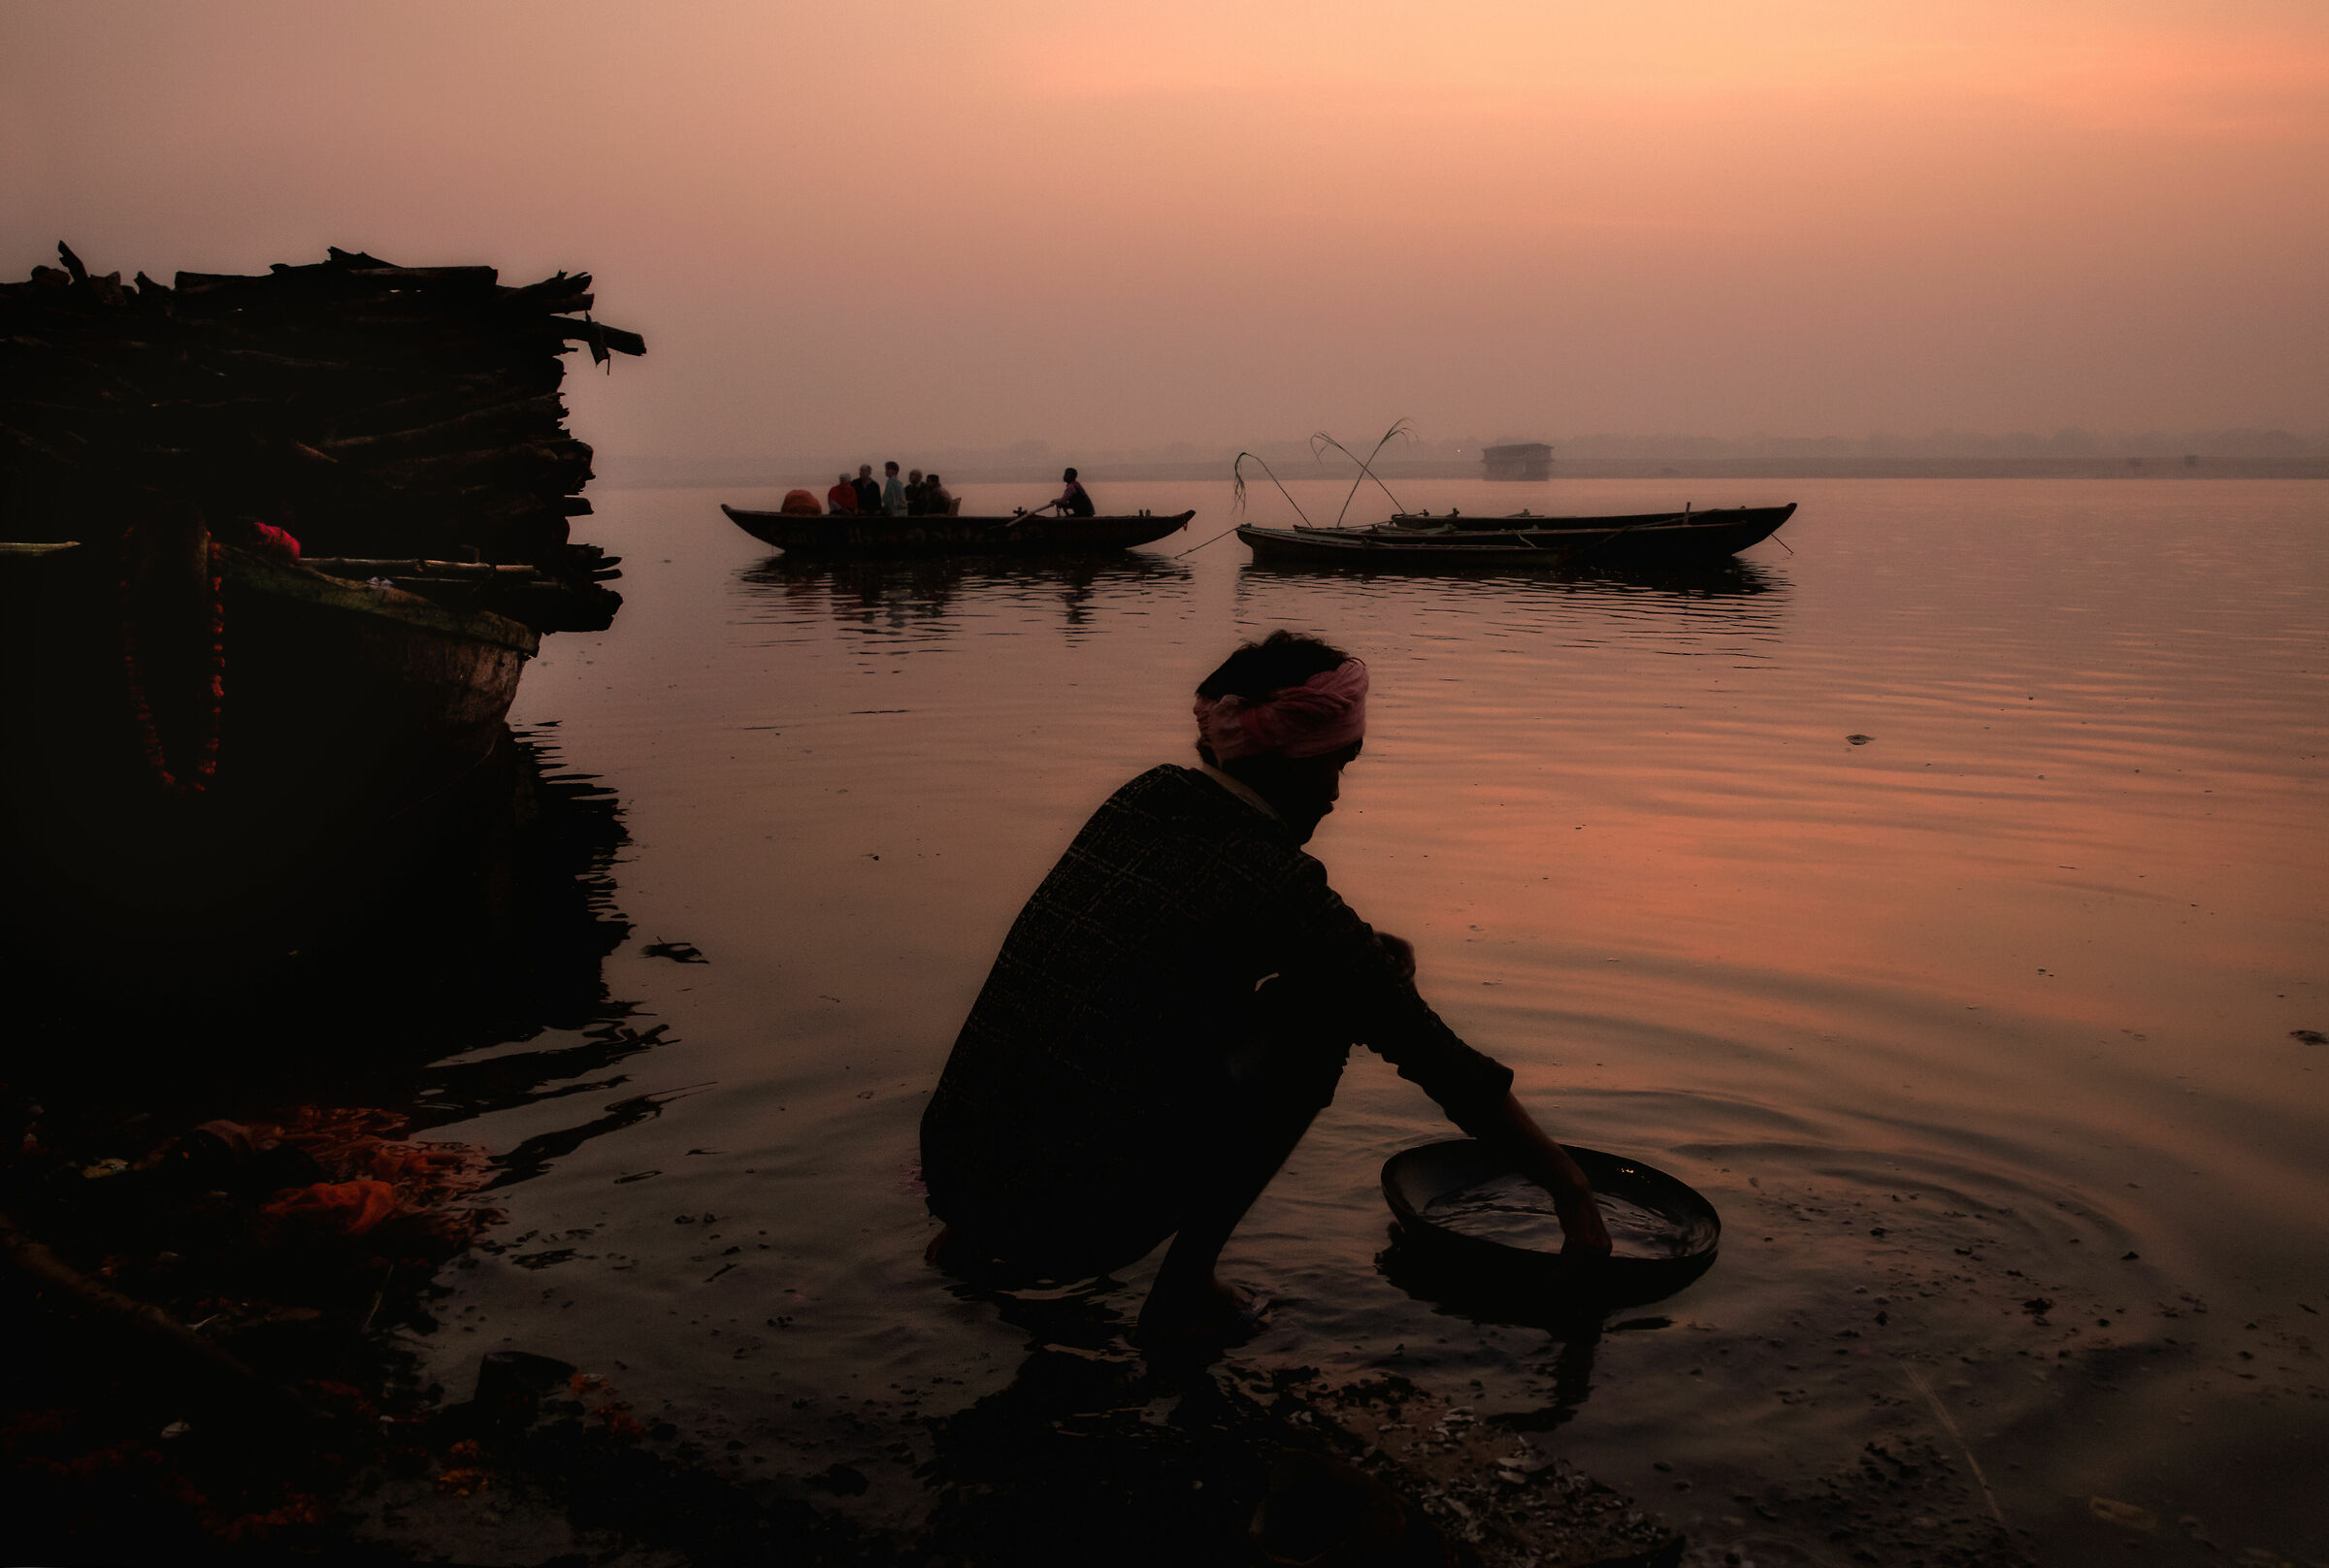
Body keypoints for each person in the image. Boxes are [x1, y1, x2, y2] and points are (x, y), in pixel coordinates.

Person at [920, 630, 1610, 1344]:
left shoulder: (1143, 800)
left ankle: (968, 1248)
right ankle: (1183, 1293)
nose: (1338, 797)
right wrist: (1572, 1190)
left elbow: (1166, 944)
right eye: (1337, 767)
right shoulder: (1275, 879)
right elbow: (1436, 1056)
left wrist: (1356, 955)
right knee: (1322, 1020)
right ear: (1291, 762)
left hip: (954, 1173)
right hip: (1073, 1222)